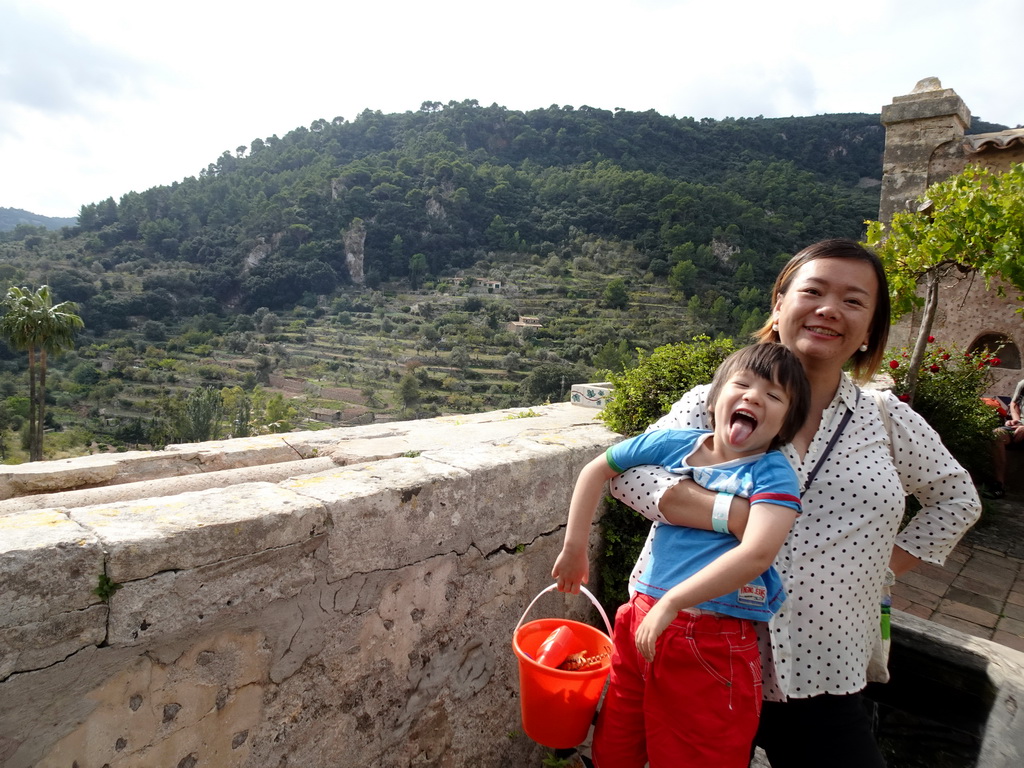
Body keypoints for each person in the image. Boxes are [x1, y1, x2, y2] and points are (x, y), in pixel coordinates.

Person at [608, 239, 981, 768]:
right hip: (696, 646)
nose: (830, 309)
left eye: (854, 301)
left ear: (872, 328)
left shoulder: (887, 419)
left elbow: (956, 500)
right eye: (813, 291)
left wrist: (881, 569)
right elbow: (627, 477)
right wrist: (734, 517)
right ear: (779, 305)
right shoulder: (714, 400)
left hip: (823, 663)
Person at [553, 343, 811, 768]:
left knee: (698, 755)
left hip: (712, 640)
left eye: (773, 396)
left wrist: (675, 601)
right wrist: (574, 547)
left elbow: (758, 552)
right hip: (640, 617)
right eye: (742, 384)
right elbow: (597, 469)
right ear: (714, 399)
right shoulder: (675, 443)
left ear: (786, 423)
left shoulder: (771, 473)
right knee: (616, 745)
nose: (752, 397)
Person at [987, 378, 1024, 498]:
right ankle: (999, 485)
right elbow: (1014, 403)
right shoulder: (1023, 384)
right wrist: (1016, 420)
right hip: (1020, 427)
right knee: (997, 434)